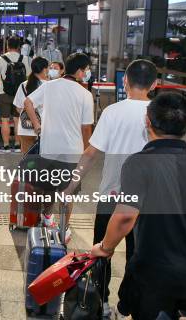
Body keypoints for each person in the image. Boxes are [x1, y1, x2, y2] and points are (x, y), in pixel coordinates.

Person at [90, 92, 186, 320]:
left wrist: (105, 248)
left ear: (148, 121)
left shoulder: (139, 163)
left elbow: (125, 217)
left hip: (157, 274)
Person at [65, 59, 156, 316]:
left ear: (124, 81)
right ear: (155, 84)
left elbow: (91, 153)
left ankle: (99, 302)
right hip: (146, 200)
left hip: (112, 195)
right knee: (137, 256)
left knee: (102, 249)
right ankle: (130, 303)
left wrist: (72, 184)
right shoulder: (158, 114)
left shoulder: (113, 112)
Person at [24, 53, 94, 240]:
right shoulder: (85, 95)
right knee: (68, 191)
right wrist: (87, 151)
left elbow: (27, 102)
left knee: (47, 187)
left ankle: (45, 217)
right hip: (72, 151)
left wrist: (37, 126)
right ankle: (64, 228)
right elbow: (86, 128)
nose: (87, 73)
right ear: (79, 71)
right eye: (86, 69)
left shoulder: (49, 86)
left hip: (49, 147)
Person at [0, 36, 31, 153]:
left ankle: (6, 146)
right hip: (20, 94)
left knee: (4, 120)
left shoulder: (1, 58)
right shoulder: (25, 58)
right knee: (17, 120)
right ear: (19, 47)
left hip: (4, 93)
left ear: (7, 46)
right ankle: (17, 145)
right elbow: (29, 76)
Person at [13, 56, 49, 154]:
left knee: (27, 162)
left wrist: (29, 114)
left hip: (25, 128)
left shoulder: (23, 85)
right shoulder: (50, 85)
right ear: (45, 69)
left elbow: (18, 108)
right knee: (44, 162)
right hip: (45, 128)